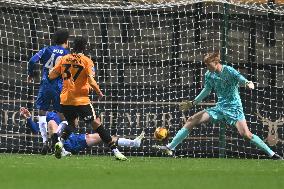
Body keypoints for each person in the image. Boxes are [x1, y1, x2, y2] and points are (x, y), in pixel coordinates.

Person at [154, 52, 283, 160]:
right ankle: (170, 147)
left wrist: (248, 82)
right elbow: (207, 90)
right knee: (191, 120)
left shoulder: (228, 71)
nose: (207, 67)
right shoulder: (209, 75)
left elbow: (240, 78)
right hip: (220, 108)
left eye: (209, 65)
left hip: (234, 109)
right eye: (206, 65)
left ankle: (272, 154)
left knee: (246, 135)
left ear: (216, 62)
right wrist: (193, 103)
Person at [48, 36, 127, 160]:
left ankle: (60, 142)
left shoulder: (64, 59)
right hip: (81, 100)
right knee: (97, 124)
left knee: (72, 124)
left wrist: (63, 75)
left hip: (66, 99)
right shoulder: (87, 61)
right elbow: (90, 79)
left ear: (73, 46)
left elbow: (51, 75)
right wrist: (98, 91)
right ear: (84, 47)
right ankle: (116, 151)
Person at [20, 107, 145, 155]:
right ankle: (61, 149)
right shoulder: (49, 116)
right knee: (52, 124)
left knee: (101, 135)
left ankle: (133, 143)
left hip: (75, 140)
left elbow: (73, 122)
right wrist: (29, 119)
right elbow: (36, 130)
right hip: (62, 143)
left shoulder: (65, 107)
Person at [27, 29, 70, 154]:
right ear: (66, 41)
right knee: (64, 118)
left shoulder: (46, 49)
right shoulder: (67, 54)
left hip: (45, 85)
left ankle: (45, 142)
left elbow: (32, 61)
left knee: (41, 113)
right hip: (59, 87)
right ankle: (57, 138)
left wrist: (31, 74)